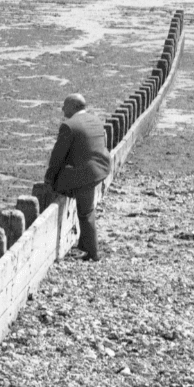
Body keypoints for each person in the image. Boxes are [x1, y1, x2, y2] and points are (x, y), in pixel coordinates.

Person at [44, 93, 110, 261]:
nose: (62, 108)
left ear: (74, 107)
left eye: (65, 105)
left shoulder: (69, 126)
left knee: (85, 212)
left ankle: (93, 253)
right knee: (85, 204)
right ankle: (83, 244)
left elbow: (57, 156)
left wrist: (49, 179)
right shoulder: (96, 120)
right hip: (101, 168)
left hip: (86, 173)